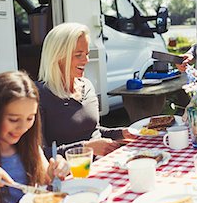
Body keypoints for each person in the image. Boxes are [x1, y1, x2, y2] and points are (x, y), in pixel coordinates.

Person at [0, 71, 69, 203]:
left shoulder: (28, 144)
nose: (23, 128)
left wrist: (56, 170)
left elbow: (46, 179)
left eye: (30, 118)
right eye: (13, 120)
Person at [37, 23, 134, 158]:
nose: (86, 60)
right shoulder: (38, 95)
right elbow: (39, 154)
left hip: (102, 164)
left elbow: (92, 131)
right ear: (57, 56)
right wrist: (86, 148)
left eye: (87, 54)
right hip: (72, 173)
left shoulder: (86, 86)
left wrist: (122, 133)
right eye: (79, 55)